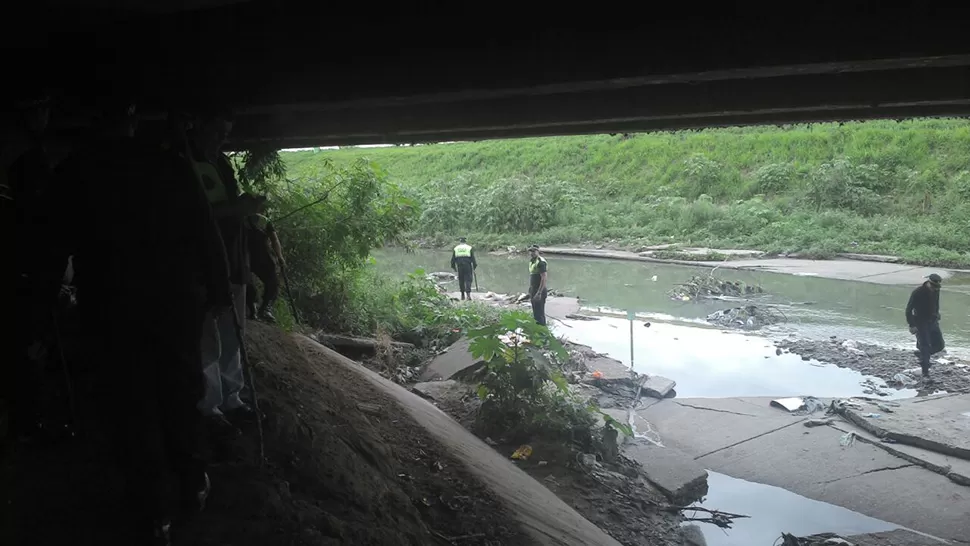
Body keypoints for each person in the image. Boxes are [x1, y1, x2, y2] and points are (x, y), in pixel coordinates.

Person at [39, 101, 220, 545]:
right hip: (173, 303)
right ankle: (192, 482)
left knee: (130, 404)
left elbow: (49, 248)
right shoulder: (169, 165)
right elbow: (204, 228)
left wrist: (41, 303)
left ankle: (154, 514)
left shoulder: (73, 171)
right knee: (179, 390)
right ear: (133, 122)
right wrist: (218, 287)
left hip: (111, 306)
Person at [191, 108, 265, 424]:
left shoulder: (220, 164)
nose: (223, 138)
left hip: (232, 262)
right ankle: (209, 406)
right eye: (218, 131)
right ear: (198, 127)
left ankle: (232, 398)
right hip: (203, 264)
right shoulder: (186, 163)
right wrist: (237, 208)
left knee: (232, 334)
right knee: (209, 336)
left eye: (227, 132)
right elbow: (194, 214)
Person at [246, 212, 284, 322]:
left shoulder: (264, 221)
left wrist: (279, 256)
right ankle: (252, 306)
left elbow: (274, 240)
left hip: (262, 256)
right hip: (244, 255)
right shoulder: (242, 218)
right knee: (247, 282)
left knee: (273, 282)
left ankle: (265, 309)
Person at [906, 273, 945, 379]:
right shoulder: (918, 292)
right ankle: (925, 373)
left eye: (936, 287)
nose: (934, 289)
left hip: (933, 321)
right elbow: (908, 309)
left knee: (940, 345)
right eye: (933, 287)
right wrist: (912, 325)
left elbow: (936, 303)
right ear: (928, 283)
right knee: (925, 346)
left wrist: (937, 313)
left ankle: (923, 354)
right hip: (920, 322)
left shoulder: (937, 290)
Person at [527, 245, 548, 326]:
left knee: (540, 313)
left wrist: (539, 293)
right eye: (531, 251)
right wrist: (530, 290)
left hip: (539, 290)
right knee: (535, 313)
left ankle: (543, 333)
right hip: (533, 289)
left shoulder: (541, 262)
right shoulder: (532, 261)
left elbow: (544, 278)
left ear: (538, 251)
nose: (532, 253)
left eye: (534, 251)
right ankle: (536, 332)